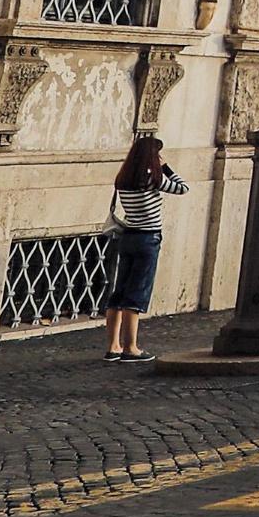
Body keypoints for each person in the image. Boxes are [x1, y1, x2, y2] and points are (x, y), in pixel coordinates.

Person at [102, 134, 187, 363]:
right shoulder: (153, 178)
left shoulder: (123, 178)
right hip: (147, 239)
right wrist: (165, 166)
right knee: (137, 293)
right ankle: (131, 348)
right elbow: (183, 188)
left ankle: (113, 347)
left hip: (128, 237)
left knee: (119, 292)